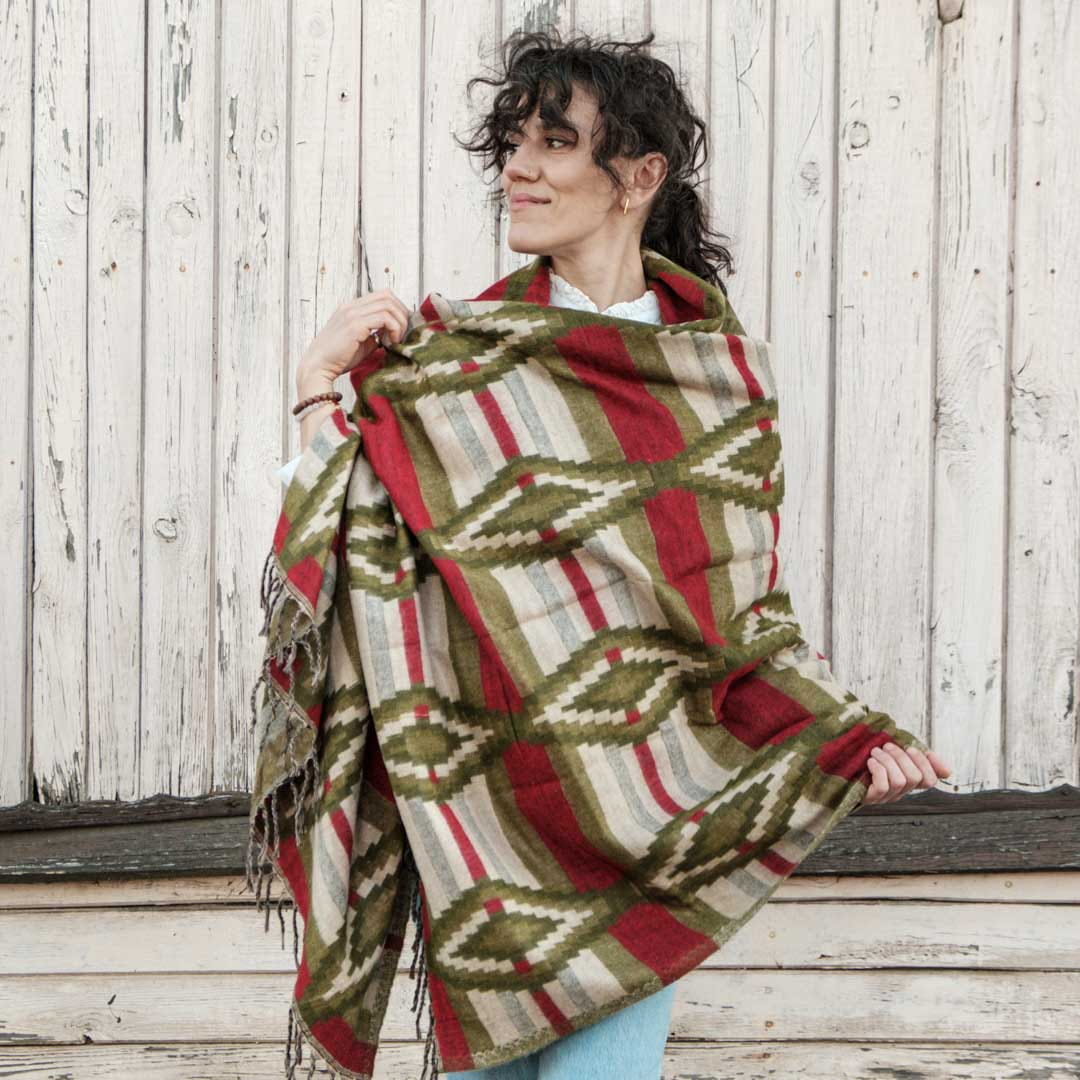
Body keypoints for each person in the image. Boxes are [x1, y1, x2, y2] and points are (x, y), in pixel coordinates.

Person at [273, 28, 952, 1080]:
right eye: (514, 143)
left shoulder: (717, 384)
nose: (521, 168)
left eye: (556, 142)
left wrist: (847, 741)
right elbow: (346, 530)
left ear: (639, 176)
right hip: (488, 835)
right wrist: (319, 389)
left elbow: (741, 625)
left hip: (642, 847)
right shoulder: (459, 362)